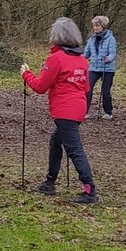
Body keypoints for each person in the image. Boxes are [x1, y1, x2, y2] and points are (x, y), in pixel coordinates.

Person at [23, 17, 99, 205]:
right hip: (78, 108)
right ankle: (50, 182)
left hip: (65, 111)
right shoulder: (81, 60)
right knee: (56, 142)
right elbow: (86, 88)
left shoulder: (56, 58)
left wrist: (26, 74)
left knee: (74, 150)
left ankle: (89, 190)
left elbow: (40, 86)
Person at [83, 15, 117, 120]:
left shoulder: (110, 38)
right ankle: (84, 111)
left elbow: (113, 53)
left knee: (105, 91)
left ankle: (108, 112)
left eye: (97, 25)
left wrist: (109, 58)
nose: (95, 28)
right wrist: (75, 58)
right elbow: (86, 54)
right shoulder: (91, 39)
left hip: (107, 69)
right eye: (94, 26)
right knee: (87, 88)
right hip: (93, 68)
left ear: (103, 26)